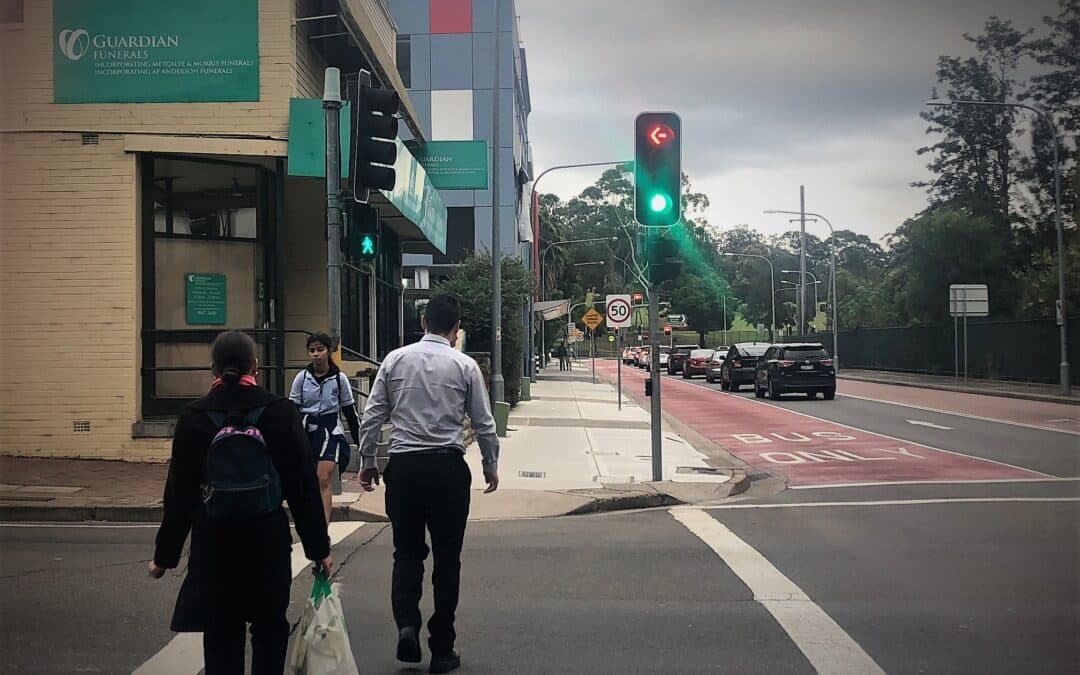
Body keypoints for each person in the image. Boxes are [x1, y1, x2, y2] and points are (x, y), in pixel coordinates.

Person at [148, 330, 331, 675]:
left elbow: (179, 494)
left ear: (213, 370)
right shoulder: (280, 411)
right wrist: (318, 549)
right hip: (266, 540)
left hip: (214, 541)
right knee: (269, 626)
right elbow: (303, 487)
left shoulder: (194, 417)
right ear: (255, 366)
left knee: (220, 631)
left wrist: (165, 556)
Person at [356, 296, 499, 674]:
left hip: (404, 468)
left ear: (423, 322)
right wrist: (490, 464)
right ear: (456, 329)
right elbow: (484, 422)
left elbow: (372, 416)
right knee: (447, 560)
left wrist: (369, 462)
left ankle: (407, 623)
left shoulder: (394, 360)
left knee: (406, 553)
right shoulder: (465, 365)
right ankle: (442, 647)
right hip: (447, 470)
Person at [290, 332, 361, 525]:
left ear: (328, 351)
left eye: (320, 349)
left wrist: (360, 442)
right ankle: (311, 522)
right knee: (308, 481)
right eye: (312, 350)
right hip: (306, 429)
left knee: (323, 478)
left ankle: (322, 528)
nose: (316, 354)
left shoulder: (340, 379)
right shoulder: (301, 378)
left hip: (330, 430)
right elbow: (293, 410)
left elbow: (350, 412)